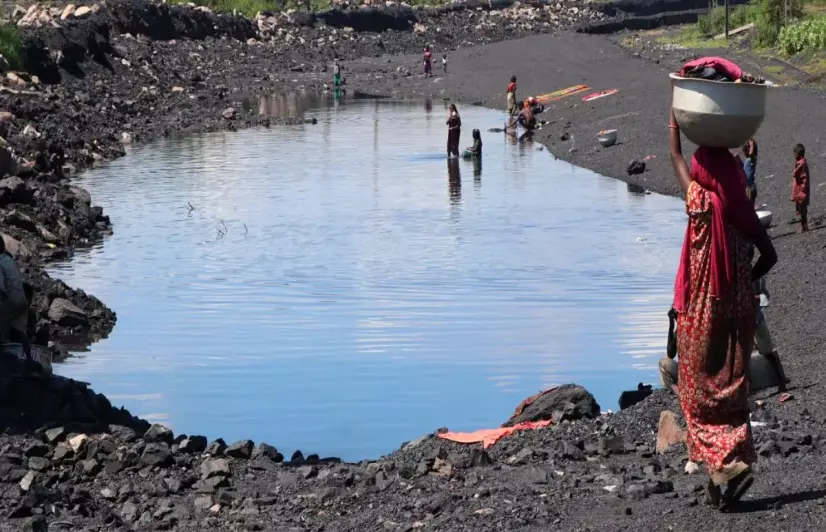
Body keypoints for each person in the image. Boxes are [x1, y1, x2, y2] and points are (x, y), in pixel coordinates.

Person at [669, 92, 777, 510]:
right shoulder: (740, 216)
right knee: (731, 386)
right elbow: (769, 255)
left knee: (695, 390)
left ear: (702, 175)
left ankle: (720, 463)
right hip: (737, 310)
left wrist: (674, 113)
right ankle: (727, 470)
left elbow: (677, 156)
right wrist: (741, 281)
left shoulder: (698, 202)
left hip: (702, 310)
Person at [0, 238, 30, 359]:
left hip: (12, 302)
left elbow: (1, 290)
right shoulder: (9, 260)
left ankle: (3, 350)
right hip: (22, 301)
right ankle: (29, 358)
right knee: (19, 331)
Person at [791, 143, 810, 233]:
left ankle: (804, 226)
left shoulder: (801, 164)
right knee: (801, 207)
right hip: (800, 189)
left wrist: (802, 191)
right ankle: (804, 225)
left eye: (794, 153)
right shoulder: (801, 163)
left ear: (798, 154)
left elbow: (803, 178)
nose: (793, 155)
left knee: (802, 208)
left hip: (801, 190)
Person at [741, 140, 757, 204]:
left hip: (750, 187)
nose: (744, 153)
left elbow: (751, 152)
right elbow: (743, 170)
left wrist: (750, 141)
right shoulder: (747, 161)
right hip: (748, 187)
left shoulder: (751, 159)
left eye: (744, 151)